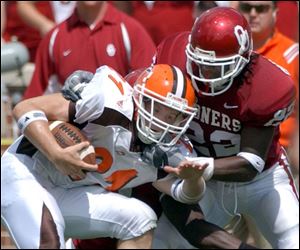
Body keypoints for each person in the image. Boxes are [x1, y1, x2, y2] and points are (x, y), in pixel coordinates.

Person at [1, 64, 208, 249]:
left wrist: (193, 179)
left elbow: (186, 195)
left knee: (141, 220)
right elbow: (25, 107)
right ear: (141, 99)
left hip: (67, 194)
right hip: (25, 172)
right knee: (50, 242)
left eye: (173, 115)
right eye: (159, 108)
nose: (164, 121)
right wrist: (56, 154)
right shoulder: (108, 104)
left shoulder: (169, 150)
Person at [152, 7, 299, 249]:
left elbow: (251, 164)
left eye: (216, 66)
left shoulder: (266, 84)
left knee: (294, 239)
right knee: (166, 241)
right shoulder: (173, 57)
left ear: (242, 60)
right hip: (201, 182)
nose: (205, 73)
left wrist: (202, 166)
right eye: (199, 63)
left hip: (261, 181)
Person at [22, 1, 155, 99]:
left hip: (120, 132)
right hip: (71, 133)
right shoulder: (55, 38)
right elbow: (33, 102)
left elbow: (149, 92)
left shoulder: (131, 31)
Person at [237, 1, 299, 151]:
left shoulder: (293, 55)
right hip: (232, 146)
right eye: (246, 7)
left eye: (261, 9)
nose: (253, 14)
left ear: (275, 13)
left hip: (281, 148)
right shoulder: (227, 50)